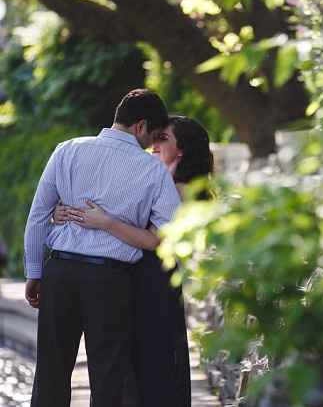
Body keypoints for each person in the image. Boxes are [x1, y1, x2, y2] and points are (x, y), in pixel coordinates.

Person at [24, 89, 181, 407]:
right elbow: (173, 234)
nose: (152, 146)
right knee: (108, 375)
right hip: (110, 280)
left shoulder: (67, 150)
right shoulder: (152, 171)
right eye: (153, 136)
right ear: (140, 126)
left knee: (51, 372)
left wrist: (34, 273)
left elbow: (38, 215)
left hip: (60, 272)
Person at [54, 116, 214, 407]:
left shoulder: (180, 190)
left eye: (163, 139)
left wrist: (105, 222)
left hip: (153, 285)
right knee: (127, 369)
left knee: (151, 370)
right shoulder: (152, 178)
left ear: (182, 150)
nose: (154, 143)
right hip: (134, 281)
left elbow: (156, 241)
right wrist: (60, 212)